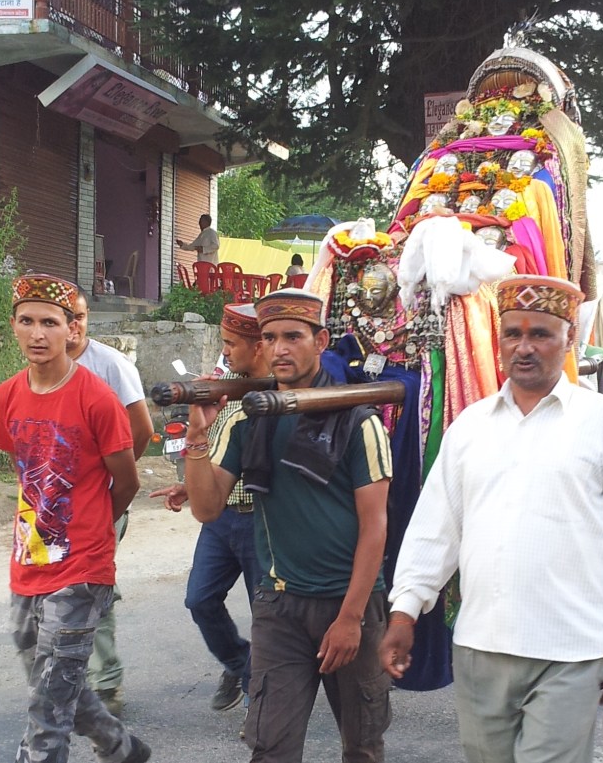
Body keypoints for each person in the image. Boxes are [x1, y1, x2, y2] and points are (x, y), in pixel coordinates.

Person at [380, 274, 603, 763]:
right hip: (481, 647)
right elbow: (436, 528)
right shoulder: (471, 426)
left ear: (569, 338)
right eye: (512, 334)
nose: (524, 347)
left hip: (572, 651)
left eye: (540, 334)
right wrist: (404, 611)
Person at [182, 288, 393, 763]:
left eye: (293, 337)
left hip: (351, 605)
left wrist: (350, 619)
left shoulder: (359, 422)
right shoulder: (247, 420)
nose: (280, 348)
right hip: (280, 606)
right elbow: (207, 508)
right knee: (270, 747)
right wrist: (197, 436)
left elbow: (375, 528)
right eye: (271, 337)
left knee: (362, 747)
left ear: (321, 342)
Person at [0, 273, 150, 763]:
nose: (37, 334)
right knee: (55, 685)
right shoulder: (7, 395)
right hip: (28, 560)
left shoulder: (97, 398)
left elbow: (127, 481)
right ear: (14, 326)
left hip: (81, 568)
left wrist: (96, 529)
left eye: (50, 323)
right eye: (27, 321)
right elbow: (24, 473)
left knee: (46, 710)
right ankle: (121, 747)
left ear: (71, 329)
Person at [150, 303, 267, 721]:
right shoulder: (221, 389)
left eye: (232, 343)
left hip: (261, 520)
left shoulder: (281, 393)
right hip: (222, 519)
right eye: (224, 341)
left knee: (266, 615)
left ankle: (261, 703)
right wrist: (190, 486)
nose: (225, 351)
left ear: (259, 347)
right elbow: (214, 453)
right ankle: (242, 666)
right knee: (199, 600)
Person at [67, 287, 154, 717]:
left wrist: (113, 485)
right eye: (64, 317)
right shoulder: (40, 368)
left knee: (90, 583)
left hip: (100, 497)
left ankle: (105, 683)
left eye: (79, 317)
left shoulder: (110, 365)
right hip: (54, 503)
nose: (73, 326)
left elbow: (142, 429)